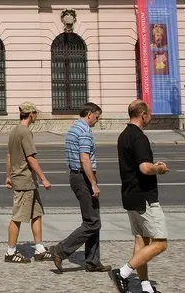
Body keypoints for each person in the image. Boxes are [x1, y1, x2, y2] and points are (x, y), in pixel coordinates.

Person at [110, 100, 170, 293]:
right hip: (145, 197)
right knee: (160, 243)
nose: (150, 116)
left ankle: (146, 287)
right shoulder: (139, 137)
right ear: (143, 115)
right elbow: (144, 167)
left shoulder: (123, 135)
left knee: (141, 241)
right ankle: (123, 272)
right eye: (149, 113)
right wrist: (159, 168)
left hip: (129, 195)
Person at [49, 102, 109, 273]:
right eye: (97, 117)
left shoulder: (73, 128)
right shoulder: (84, 131)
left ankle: (92, 261)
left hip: (75, 176)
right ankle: (60, 250)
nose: (97, 121)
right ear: (89, 114)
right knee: (92, 222)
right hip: (82, 177)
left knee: (94, 220)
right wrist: (94, 183)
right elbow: (84, 159)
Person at [5, 101, 53, 264]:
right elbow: (31, 158)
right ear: (31, 114)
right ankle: (11, 252)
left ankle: (39, 249)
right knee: (17, 217)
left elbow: (9, 156)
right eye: (35, 113)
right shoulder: (25, 132)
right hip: (24, 180)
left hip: (25, 179)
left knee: (36, 214)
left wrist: (8, 176)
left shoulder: (14, 131)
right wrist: (44, 178)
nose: (36, 116)